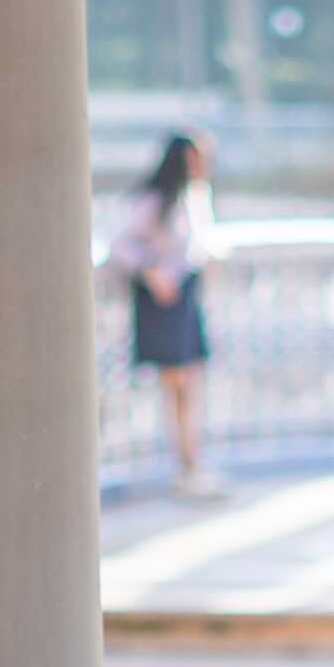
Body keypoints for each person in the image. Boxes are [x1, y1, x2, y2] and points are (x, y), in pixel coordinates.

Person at [112, 129, 224, 497]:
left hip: (186, 292)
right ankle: (185, 463)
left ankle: (191, 461)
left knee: (188, 381)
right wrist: (152, 272)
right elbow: (122, 245)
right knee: (176, 381)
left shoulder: (194, 196)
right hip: (164, 297)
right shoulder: (154, 200)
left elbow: (198, 244)